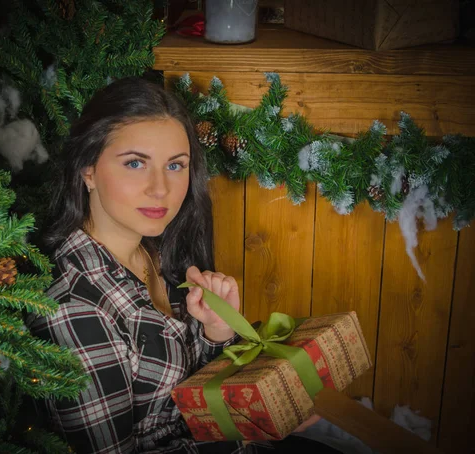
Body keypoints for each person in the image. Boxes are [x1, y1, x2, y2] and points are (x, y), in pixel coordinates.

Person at [28, 77, 341, 454]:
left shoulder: (159, 249)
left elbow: (191, 397)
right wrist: (244, 431)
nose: (160, 188)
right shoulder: (76, 311)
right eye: (134, 163)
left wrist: (218, 333)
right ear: (88, 170)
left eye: (175, 165)